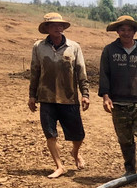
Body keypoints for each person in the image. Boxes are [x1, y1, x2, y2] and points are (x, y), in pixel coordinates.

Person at [28, 12, 90, 178]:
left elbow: (81, 72)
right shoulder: (39, 47)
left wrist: (85, 94)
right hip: (46, 97)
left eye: (60, 25)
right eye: (54, 25)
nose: (58, 28)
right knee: (50, 134)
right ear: (47, 28)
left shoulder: (74, 47)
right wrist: (32, 95)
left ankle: (75, 152)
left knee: (78, 135)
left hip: (69, 97)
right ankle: (60, 166)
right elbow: (35, 71)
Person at [98, 15, 137, 177]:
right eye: (122, 30)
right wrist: (105, 97)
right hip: (118, 101)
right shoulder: (110, 50)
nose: (126, 33)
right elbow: (104, 75)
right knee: (125, 138)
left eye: (129, 30)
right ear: (117, 31)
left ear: (134, 32)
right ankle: (130, 169)